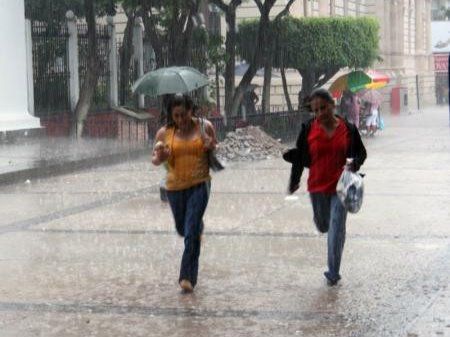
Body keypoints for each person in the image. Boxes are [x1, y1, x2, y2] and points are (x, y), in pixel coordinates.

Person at [283, 88, 367, 286]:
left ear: (332, 105)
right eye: (316, 110)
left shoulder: (348, 129)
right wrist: (294, 181)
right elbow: (300, 157)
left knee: (336, 226)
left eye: (323, 108)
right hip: (317, 186)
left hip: (340, 187)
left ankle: (333, 272)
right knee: (323, 225)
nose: (320, 113)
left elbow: (361, 153)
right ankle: (324, 224)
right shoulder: (308, 129)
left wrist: (354, 164)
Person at [152, 93, 218, 293]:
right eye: (176, 116)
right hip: (175, 188)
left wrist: (210, 146)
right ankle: (197, 227)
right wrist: (161, 156)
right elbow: (155, 159)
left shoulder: (204, 126)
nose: (180, 120)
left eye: (183, 115)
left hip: (200, 184)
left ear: (191, 110)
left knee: (190, 232)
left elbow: (215, 148)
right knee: (184, 229)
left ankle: (187, 277)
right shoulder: (164, 133)